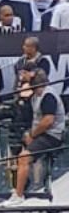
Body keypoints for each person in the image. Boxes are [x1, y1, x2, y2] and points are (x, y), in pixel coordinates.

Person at [6, 68, 65, 205]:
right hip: (41, 134)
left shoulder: (48, 95)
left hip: (52, 136)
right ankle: (19, 187)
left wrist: (32, 134)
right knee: (16, 155)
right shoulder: (36, 96)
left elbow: (48, 121)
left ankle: (18, 196)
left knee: (24, 157)